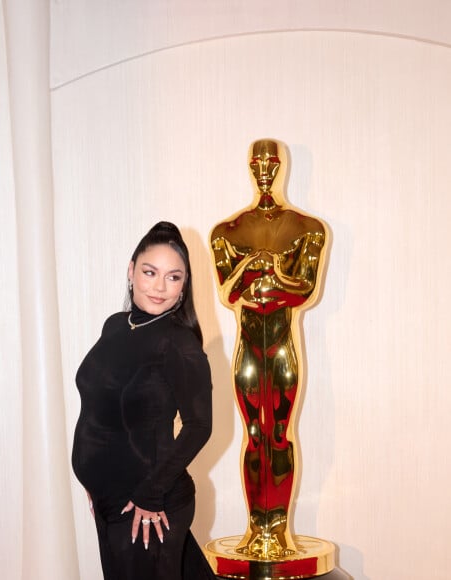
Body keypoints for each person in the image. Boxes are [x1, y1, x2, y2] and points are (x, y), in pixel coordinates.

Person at [72, 222, 216, 579]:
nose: (160, 286)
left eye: (174, 277)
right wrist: (96, 478)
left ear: (184, 286)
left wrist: (150, 493)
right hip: (110, 499)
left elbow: (199, 426)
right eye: (150, 272)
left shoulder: (179, 345)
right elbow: (99, 410)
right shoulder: (116, 326)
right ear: (131, 271)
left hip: (148, 504)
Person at [209, 139, 326, 559]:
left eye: (271, 161)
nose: (264, 167)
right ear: (248, 165)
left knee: (279, 432)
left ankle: (278, 531)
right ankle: (256, 531)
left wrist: (270, 272)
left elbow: (304, 290)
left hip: (281, 344)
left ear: (283, 166)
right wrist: (252, 269)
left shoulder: (307, 228)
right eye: (257, 160)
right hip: (248, 348)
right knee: (253, 434)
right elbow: (228, 292)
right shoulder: (227, 231)